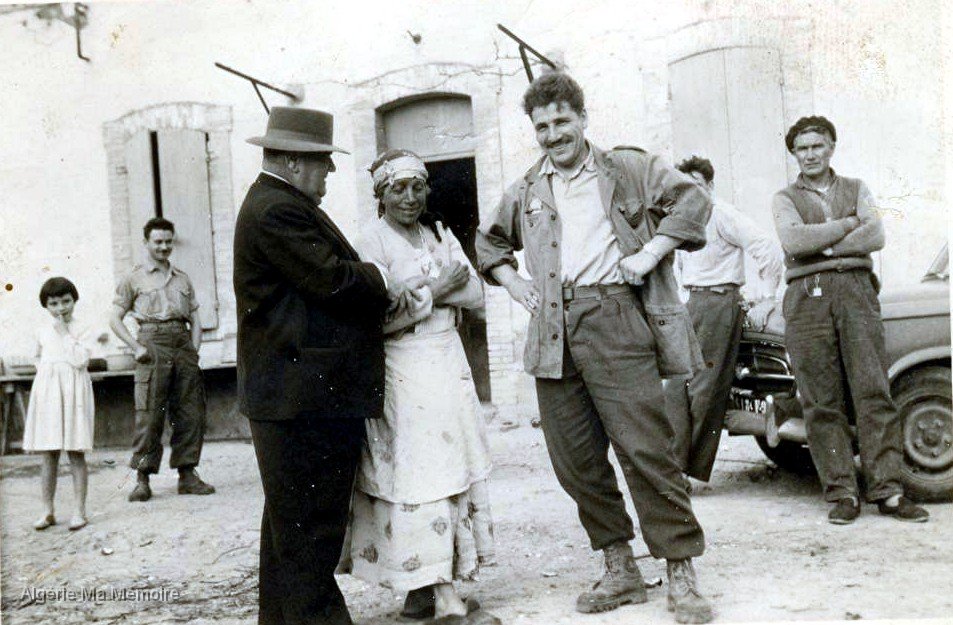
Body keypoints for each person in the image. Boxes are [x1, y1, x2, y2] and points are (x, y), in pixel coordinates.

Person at [476, 72, 714, 624]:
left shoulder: (628, 168)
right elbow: (488, 242)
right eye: (542, 126)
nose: (553, 135)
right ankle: (620, 567)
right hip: (553, 329)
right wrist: (515, 284)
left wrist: (651, 252)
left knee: (645, 449)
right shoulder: (528, 188)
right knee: (575, 460)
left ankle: (680, 570)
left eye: (562, 121)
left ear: (582, 119)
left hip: (616, 317)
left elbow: (693, 200)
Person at [234, 107, 405, 625]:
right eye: (323, 160)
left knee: (289, 531)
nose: (329, 170)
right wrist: (384, 277)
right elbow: (331, 279)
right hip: (302, 399)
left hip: (296, 395)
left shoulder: (279, 203)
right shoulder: (277, 210)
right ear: (293, 161)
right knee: (311, 532)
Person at [344, 149, 496, 623]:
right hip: (405, 368)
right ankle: (444, 599)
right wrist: (440, 287)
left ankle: (423, 593)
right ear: (380, 194)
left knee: (452, 469)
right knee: (421, 476)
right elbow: (378, 319)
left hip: (447, 361)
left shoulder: (438, 234)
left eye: (417, 187)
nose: (409, 197)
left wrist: (419, 293)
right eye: (397, 188)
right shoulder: (370, 243)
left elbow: (475, 293)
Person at [772, 115, 929, 525]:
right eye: (802, 148)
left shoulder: (857, 188)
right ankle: (842, 493)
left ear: (831, 147)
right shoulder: (785, 198)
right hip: (807, 297)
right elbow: (793, 240)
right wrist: (845, 227)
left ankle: (888, 492)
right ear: (794, 154)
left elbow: (875, 235)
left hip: (858, 292)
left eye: (817, 146)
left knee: (872, 389)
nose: (810, 154)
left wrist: (822, 244)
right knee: (821, 399)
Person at [665, 155, 784, 482]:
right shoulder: (683, 219)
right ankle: (673, 467)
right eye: (684, 187)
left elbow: (766, 248)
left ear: (710, 186)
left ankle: (685, 472)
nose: (691, 193)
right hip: (691, 304)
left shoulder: (722, 214)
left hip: (718, 303)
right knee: (675, 387)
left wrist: (767, 297)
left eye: (697, 185)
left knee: (704, 389)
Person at [110, 217, 215, 502]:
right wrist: (135, 347)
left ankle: (187, 475)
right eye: (158, 241)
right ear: (146, 243)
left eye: (168, 241)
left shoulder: (182, 278)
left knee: (190, 411)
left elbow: (195, 317)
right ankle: (142, 479)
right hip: (152, 343)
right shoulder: (133, 278)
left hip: (181, 343)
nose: (164, 247)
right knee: (149, 413)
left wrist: (193, 350)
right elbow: (114, 319)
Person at [22, 277, 94, 531]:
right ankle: (47, 510)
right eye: (54, 304)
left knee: (75, 451)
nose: (61, 308)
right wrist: (48, 374)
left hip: (74, 391)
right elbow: (35, 356)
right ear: (46, 306)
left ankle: (79, 511)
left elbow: (80, 360)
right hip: (49, 392)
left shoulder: (83, 328)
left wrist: (65, 334)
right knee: (49, 452)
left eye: (66, 301)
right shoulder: (42, 330)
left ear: (74, 300)